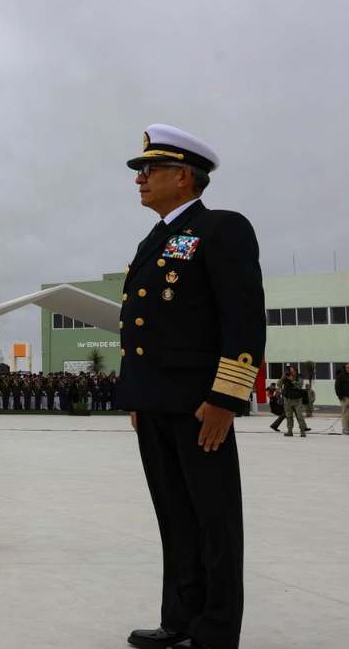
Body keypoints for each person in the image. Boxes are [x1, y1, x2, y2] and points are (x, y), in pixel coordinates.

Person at [116, 124, 263, 649]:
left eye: (149, 171)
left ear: (183, 176)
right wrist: (136, 394)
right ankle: (180, 615)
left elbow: (243, 321)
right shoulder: (155, 239)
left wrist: (227, 397)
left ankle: (217, 630)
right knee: (174, 515)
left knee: (214, 518)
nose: (140, 180)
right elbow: (141, 326)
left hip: (202, 406)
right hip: (154, 403)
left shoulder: (222, 228)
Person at [280, 367, 309, 438]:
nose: (291, 372)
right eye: (290, 371)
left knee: (300, 416)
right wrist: (282, 378)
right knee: (289, 416)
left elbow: (299, 386)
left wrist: (292, 380)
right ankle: (290, 431)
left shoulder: (299, 377)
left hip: (297, 400)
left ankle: (302, 432)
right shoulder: (286, 377)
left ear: (296, 371)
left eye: (293, 371)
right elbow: (278, 384)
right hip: (287, 400)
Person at [337, 363, 349, 435]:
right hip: (344, 398)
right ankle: (345, 429)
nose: (348, 369)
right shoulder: (341, 376)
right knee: (345, 414)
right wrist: (341, 397)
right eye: (347, 367)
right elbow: (337, 387)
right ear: (345, 368)